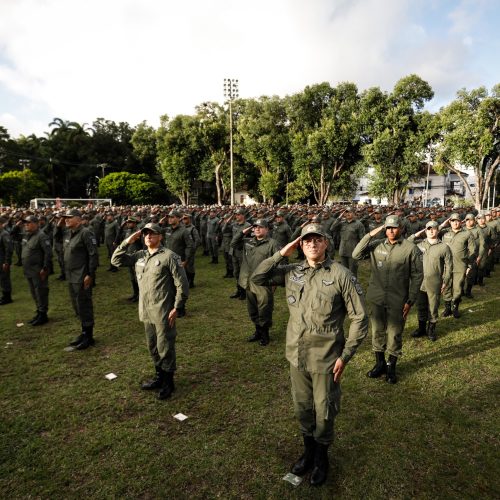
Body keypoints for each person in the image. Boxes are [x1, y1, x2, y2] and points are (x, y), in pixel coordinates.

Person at [251, 223, 368, 486]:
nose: (312, 244)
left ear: (326, 243)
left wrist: (346, 355)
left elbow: (360, 318)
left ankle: (322, 457)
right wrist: (283, 253)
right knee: (303, 408)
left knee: (324, 410)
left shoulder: (341, 274)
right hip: (297, 354)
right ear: (300, 246)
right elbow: (257, 278)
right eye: (306, 241)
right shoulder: (292, 272)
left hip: (326, 357)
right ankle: (308, 451)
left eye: (317, 240)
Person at [111, 223, 189, 400]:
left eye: (153, 234)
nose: (148, 237)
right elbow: (115, 261)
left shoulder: (170, 256)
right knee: (152, 346)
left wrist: (177, 307)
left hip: (163, 309)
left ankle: (169, 382)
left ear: (160, 236)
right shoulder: (140, 255)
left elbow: (181, 284)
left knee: (165, 346)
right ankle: (159, 377)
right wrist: (127, 241)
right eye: (145, 234)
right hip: (145, 309)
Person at [352, 215, 423, 384]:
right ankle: (379, 364)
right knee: (377, 331)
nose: (391, 231)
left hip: (398, 299)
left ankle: (391, 366)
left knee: (395, 333)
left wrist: (411, 299)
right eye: (388, 228)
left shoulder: (410, 249)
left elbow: (418, 275)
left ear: (402, 229)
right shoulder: (377, 245)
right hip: (376, 297)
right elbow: (356, 254)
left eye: (394, 227)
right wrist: (371, 234)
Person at [232, 219, 280, 346]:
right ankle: (257, 331)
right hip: (248, 281)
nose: (257, 229)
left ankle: (265, 334)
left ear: (267, 229)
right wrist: (244, 231)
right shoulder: (248, 242)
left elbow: (280, 264)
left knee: (264, 308)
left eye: (261, 227)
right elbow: (233, 243)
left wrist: (274, 283)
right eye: (255, 227)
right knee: (252, 308)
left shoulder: (272, 244)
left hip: (263, 282)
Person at [59, 209, 98, 350]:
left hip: (82, 275)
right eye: (65, 218)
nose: (66, 220)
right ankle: (83, 332)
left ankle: (89, 336)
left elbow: (93, 255)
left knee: (84, 305)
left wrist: (89, 274)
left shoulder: (86, 233)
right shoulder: (68, 233)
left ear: (78, 219)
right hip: (71, 275)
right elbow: (56, 237)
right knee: (77, 305)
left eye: (69, 217)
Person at [408, 221, 452, 341]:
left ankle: (431, 329)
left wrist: (445, 281)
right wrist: (418, 234)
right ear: (425, 231)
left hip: (435, 282)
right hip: (420, 282)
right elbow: (407, 241)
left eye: (434, 229)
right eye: (428, 229)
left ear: (438, 230)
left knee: (433, 306)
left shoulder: (444, 247)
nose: (431, 231)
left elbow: (449, 266)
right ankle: (421, 328)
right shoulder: (419, 244)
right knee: (421, 306)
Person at [439, 213, 477, 318]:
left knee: (458, 287)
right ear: (450, 222)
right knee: (446, 286)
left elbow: (473, 251)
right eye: (453, 221)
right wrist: (443, 224)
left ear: (461, 222)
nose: (455, 223)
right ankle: (447, 308)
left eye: (457, 220)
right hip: (446, 266)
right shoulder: (444, 232)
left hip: (460, 266)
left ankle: (455, 308)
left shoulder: (467, 234)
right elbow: (432, 231)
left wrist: (469, 265)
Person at [21, 215, 52, 326]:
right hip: (29, 270)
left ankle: (43, 314)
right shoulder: (27, 235)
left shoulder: (42, 236)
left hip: (38, 270)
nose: (26, 225)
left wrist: (45, 268)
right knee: (34, 292)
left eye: (28, 223)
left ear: (36, 223)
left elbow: (48, 253)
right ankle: (39, 311)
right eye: (25, 223)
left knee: (41, 292)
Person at [329, 207, 365, 277]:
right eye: (346, 212)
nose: (347, 214)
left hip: (353, 251)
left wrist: (360, 251)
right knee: (344, 271)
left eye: (350, 212)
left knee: (352, 272)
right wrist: (339, 217)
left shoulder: (359, 224)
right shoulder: (342, 223)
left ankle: (354, 286)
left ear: (354, 213)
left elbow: (362, 239)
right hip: (343, 250)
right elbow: (332, 228)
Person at [0, 216, 13, 305]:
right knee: (1, 279)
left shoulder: (4, 234)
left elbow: (9, 249)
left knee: (5, 278)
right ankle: (4, 296)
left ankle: (7, 297)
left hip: (3, 261)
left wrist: (7, 262)